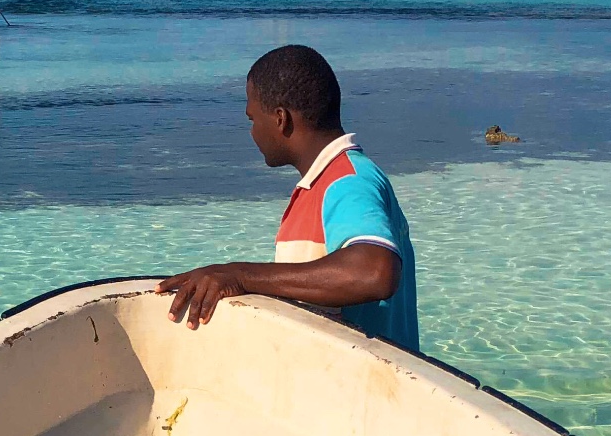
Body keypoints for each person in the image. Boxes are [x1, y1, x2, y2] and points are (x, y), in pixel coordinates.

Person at [159, 45, 417, 353]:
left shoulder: (347, 181)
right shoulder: (323, 182)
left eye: (252, 119)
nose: (252, 132)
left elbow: (375, 271)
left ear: (281, 119)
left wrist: (240, 275)